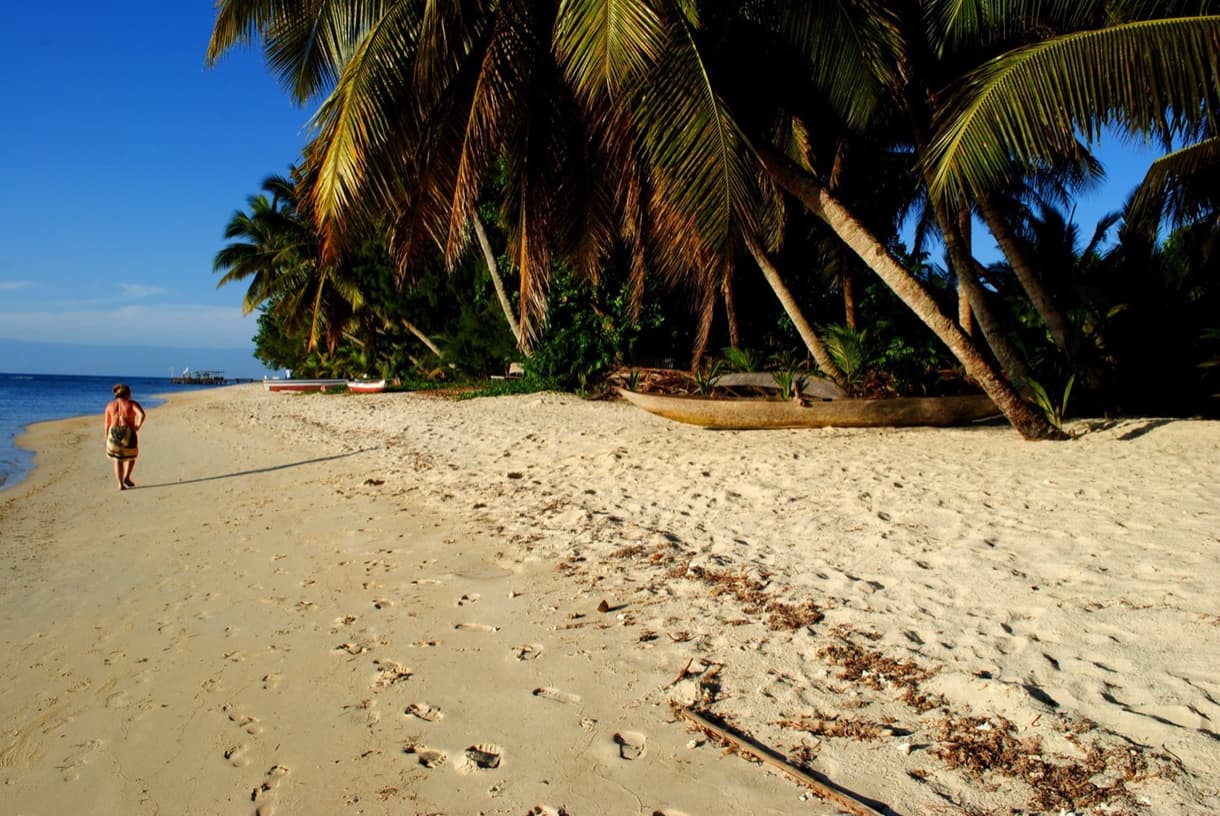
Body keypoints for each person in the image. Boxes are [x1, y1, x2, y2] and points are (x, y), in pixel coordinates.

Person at [104, 383, 146, 491]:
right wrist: (137, 426)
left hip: (113, 433)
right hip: (128, 432)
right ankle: (126, 477)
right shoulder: (131, 404)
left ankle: (120, 484)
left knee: (117, 460)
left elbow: (107, 423)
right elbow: (142, 414)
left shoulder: (110, 405)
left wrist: (106, 436)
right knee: (131, 457)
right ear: (128, 393)